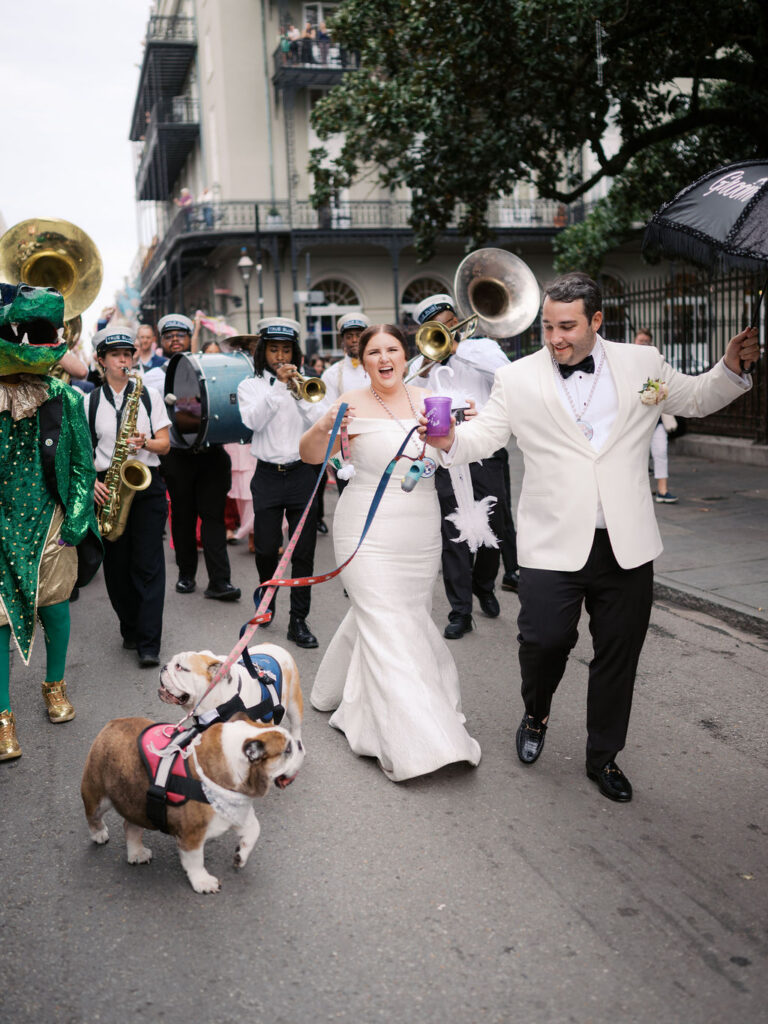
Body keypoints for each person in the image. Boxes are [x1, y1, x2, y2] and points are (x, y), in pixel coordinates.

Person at [423, 272, 758, 802]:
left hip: (626, 544)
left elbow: (694, 397)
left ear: (597, 321)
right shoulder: (518, 377)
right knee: (543, 642)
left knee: (618, 655)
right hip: (551, 542)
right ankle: (536, 711)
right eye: (548, 327)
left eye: (567, 327)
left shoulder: (642, 365)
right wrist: (445, 439)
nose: (555, 338)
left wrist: (731, 367)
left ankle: (603, 757)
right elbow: (483, 436)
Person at [300, 324, 482, 782]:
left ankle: (336, 691)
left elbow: (453, 454)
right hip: (365, 527)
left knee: (404, 616)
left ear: (407, 354)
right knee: (386, 620)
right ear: (362, 360)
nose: (384, 358)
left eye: (392, 350)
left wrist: (468, 428)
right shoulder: (349, 403)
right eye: (373, 352)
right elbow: (307, 455)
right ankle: (419, 742)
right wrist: (324, 425)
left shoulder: (432, 399)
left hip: (420, 530)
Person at [0, 282, 102, 761]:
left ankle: (53, 685)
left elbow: (83, 465)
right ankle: (2, 716)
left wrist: (76, 523)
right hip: (1, 527)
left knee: (56, 609)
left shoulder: (65, 397)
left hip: (50, 521)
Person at [410, 294, 512, 638]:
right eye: (435, 325)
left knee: (493, 525)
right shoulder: (419, 365)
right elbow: (409, 399)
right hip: (444, 455)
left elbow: (507, 375)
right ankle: (460, 611)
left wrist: (456, 348)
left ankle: (484, 584)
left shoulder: (483, 349)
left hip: (484, 451)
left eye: (448, 320)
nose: (445, 328)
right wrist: (427, 361)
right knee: (452, 534)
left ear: (458, 320)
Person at [237, 318, 326, 649]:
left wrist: (299, 394)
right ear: (263, 352)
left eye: (286, 349)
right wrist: (278, 386)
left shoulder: (306, 384)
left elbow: (319, 422)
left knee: (303, 552)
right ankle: (267, 596)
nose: (280, 356)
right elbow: (253, 421)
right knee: (265, 548)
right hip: (268, 475)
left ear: (296, 352)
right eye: (273, 349)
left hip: (303, 472)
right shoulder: (251, 386)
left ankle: (298, 620)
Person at [85, 325, 171, 668]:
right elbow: (79, 452)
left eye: (127, 354)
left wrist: (145, 442)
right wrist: (92, 481)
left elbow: (165, 444)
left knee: (149, 565)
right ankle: (130, 627)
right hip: (108, 484)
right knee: (117, 569)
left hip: (145, 482)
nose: (123, 360)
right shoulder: (89, 401)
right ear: (101, 360)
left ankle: (150, 642)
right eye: (116, 355)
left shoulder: (147, 394)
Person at [146, 313, 241, 602]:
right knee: (183, 518)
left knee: (213, 518)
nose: (175, 339)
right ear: (162, 342)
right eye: (169, 335)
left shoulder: (207, 366)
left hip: (211, 453)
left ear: (190, 338)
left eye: (181, 335)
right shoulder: (153, 375)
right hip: (178, 456)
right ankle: (186, 575)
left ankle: (220, 581)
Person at [634, 327, 678, 503]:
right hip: (636, 421)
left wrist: (658, 391)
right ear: (635, 341)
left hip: (656, 418)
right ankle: (636, 493)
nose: (643, 344)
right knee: (637, 457)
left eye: (646, 341)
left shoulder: (655, 363)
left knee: (661, 452)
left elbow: (665, 387)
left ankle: (662, 490)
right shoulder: (627, 363)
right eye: (640, 340)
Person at [321, 312, 371, 402]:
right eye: (349, 337)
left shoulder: (379, 369)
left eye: (358, 336)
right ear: (343, 340)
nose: (354, 340)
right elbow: (328, 409)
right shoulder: (332, 374)